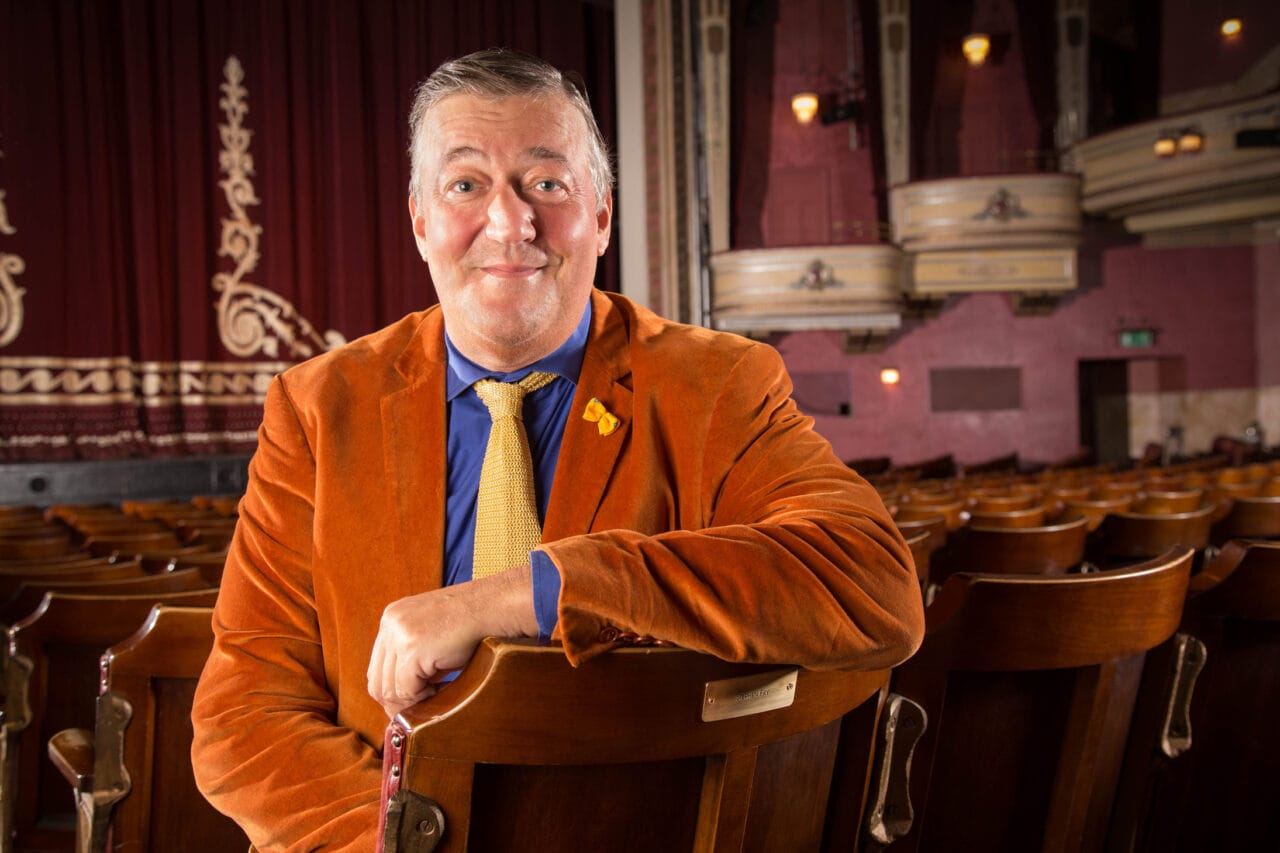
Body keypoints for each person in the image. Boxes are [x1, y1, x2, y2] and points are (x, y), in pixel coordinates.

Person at [191, 48, 924, 851]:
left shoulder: (718, 383)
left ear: (601, 215)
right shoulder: (316, 408)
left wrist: (536, 590)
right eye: (467, 185)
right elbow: (242, 715)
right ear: (421, 221)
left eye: (547, 182)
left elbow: (876, 586)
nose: (511, 223)